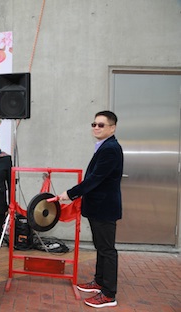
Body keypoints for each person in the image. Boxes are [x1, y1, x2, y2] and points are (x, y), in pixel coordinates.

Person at [58, 111, 123, 308]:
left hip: (104, 208)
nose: (96, 127)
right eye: (94, 124)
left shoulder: (110, 149)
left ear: (112, 128)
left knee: (107, 249)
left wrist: (70, 193)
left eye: (101, 125)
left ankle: (109, 294)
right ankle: (100, 282)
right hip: (98, 207)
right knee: (100, 247)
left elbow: (95, 179)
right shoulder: (104, 146)